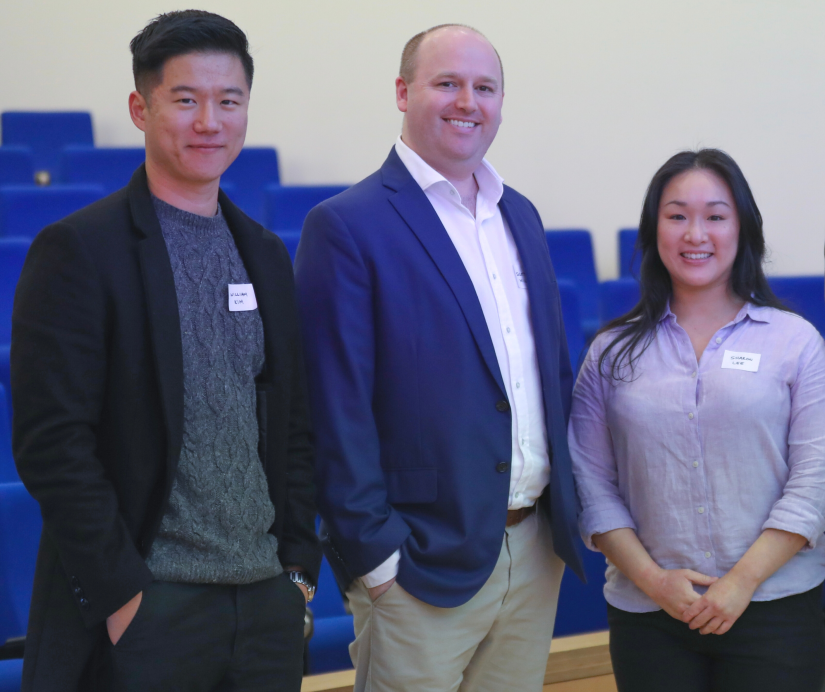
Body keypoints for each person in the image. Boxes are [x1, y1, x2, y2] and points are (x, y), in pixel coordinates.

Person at [11, 10, 320, 692]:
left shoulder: (265, 255)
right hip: (152, 609)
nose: (209, 121)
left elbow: (292, 424)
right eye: (185, 99)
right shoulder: (79, 252)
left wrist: (296, 573)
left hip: (265, 604)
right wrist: (126, 600)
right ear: (139, 108)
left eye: (228, 101)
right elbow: (50, 443)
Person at [294, 23, 584, 692]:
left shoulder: (523, 218)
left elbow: (549, 377)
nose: (467, 102)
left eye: (484, 87)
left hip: (532, 551)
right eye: (446, 83)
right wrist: (378, 561)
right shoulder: (346, 225)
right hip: (419, 564)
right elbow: (334, 407)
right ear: (402, 92)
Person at [569, 149, 825, 692]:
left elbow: (815, 479)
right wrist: (655, 582)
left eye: (715, 215)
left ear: (742, 228)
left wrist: (740, 583)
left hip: (777, 608)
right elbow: (592, 486)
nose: (695, 234)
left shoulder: (794, 341)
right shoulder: (611, 353)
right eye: (677, 215)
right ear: (654, 228)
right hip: (649, 614)